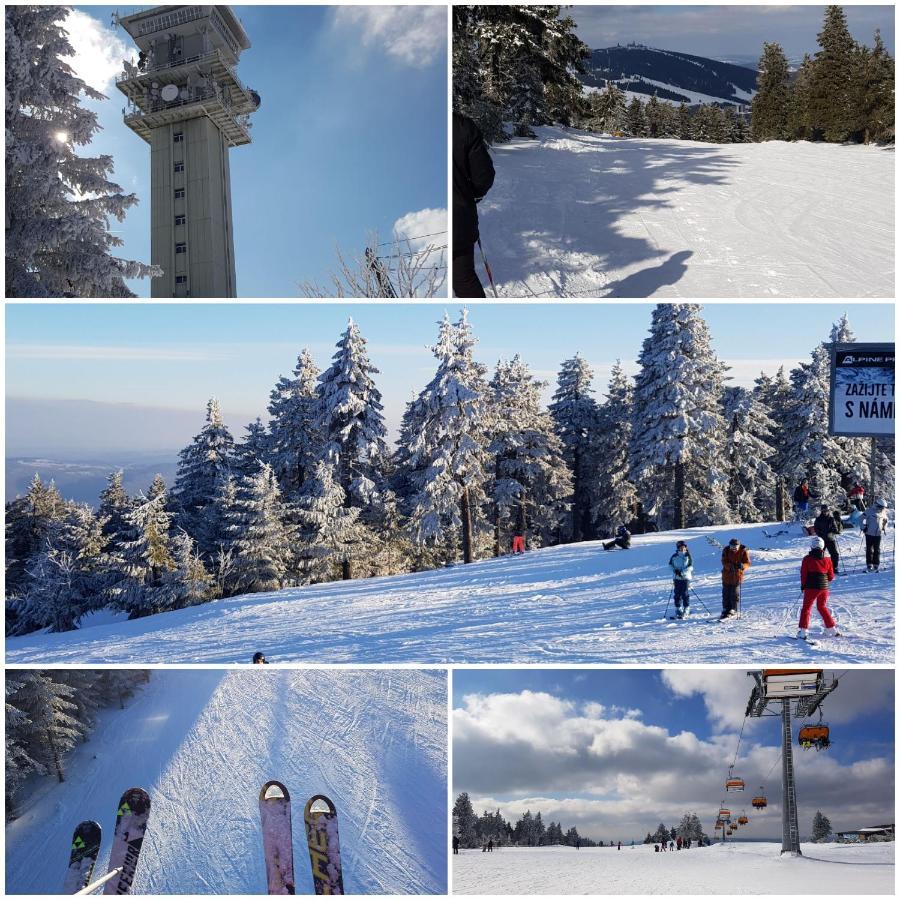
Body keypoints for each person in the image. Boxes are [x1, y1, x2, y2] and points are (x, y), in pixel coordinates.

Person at [453, 112, 495, 298]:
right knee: (463, 279)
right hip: (458, 217)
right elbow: (483, 176)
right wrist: (471, 195)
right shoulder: (462, 125)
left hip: (434, 221)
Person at [798, 536, 839, 639]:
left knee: (806, 608)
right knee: (822, 607)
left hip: (811, 587)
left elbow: (804, 574)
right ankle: (832, 629)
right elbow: (831, 576)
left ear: (812, 546)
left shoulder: (807, 559)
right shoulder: (827, 559)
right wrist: (824, 582)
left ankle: (803, 632)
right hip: (824, 588)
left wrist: (803, 586)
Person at [720, 539, 750, 619]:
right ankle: (726, 608)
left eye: (736, 547)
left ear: (739, 546)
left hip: (737, 576)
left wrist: (743, 566)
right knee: (726, 593)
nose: (734, 549)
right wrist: (729, 566)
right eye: (732, 547)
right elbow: (723, 561)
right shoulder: (726, 550)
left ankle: (733, 609)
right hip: (726, 576)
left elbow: (747, 563)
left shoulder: (743, 551)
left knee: (734, 593)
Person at [813, 504, 843, 572]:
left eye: (826, 510)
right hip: (822, 540)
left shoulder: (831, 519)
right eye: (824, 511)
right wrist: (820, 534)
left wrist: (833, 532)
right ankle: (818, 568)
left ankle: (834, 567)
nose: (825, 512)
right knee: (819, 554)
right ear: (822, 511)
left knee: (834, 554)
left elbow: (835, 528)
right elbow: (816, 529)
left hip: (830, 539)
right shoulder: (818, 519)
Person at [862, 498, 889, 572]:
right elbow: (861, 518)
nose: (882, 509)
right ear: (877, 505)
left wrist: (884, 528)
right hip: (869, 533)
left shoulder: (883, 513)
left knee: (877, 549)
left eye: (883, 508)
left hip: (878, 534)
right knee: (869, 549)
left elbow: (886, 521)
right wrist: (863, 527)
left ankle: (876, 564)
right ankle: (869, 564)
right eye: (881, 507)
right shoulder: (869, 511)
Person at [668, 541, 693, 619]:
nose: (682, 548)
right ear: (678, 548)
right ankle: (678, 609)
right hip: (676, 578)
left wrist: (682, 572)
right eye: (681, 547)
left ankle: (686, 609)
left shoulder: (688, 555)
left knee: (684, 594)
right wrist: (675, 571)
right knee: (677, 594)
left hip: (685, 578)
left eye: (684, 547)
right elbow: (670, 565)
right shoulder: (674, 556)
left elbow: (690, 567)